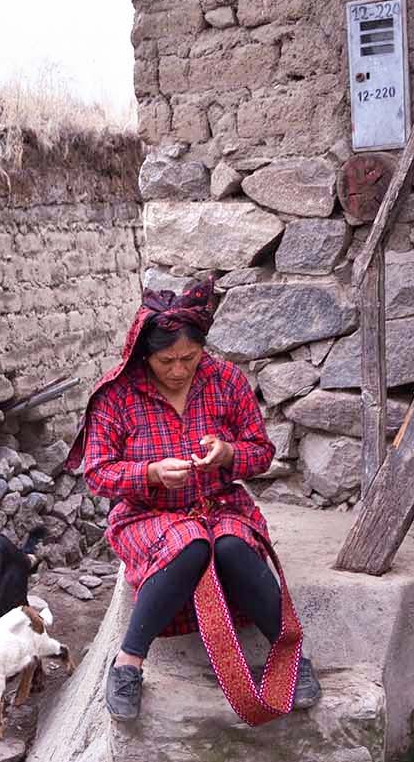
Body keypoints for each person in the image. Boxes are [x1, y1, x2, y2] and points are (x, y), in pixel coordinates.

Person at [66, 276, 320, 723]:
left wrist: (227, 455)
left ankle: (290, 657)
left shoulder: (225, 380)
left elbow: (261, 452)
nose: (180, 369)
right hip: (147, 515)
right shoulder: (117, 396)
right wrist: (150, 474)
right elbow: (98, 474)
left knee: (231, 547)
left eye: (189, 357)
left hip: (220, 504)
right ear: (145, 353)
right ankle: (128, 663)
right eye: (167, 360)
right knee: (191, 544)